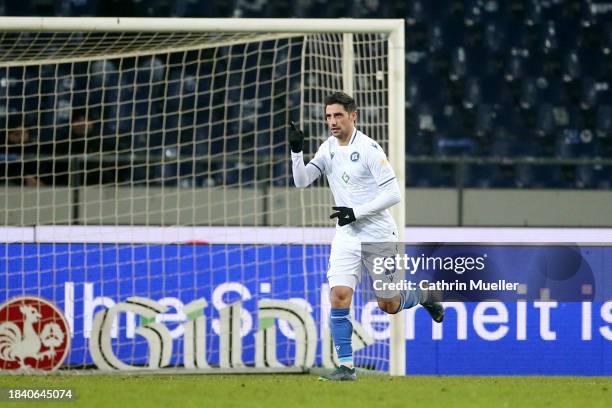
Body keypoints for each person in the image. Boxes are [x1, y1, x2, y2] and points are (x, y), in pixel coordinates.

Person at [290, 92, 444, 381]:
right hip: (346, 236)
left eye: (338, 115)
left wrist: (355, 212)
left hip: (379, 235)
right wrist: (296, 151)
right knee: (338, 296)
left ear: (353, 116)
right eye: (328, 116)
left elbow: (393, 194)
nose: (332, 121)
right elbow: (301, 181)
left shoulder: (370, 149)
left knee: (388, 305)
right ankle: (346, 367)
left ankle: (425, 294)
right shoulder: (326, 149)